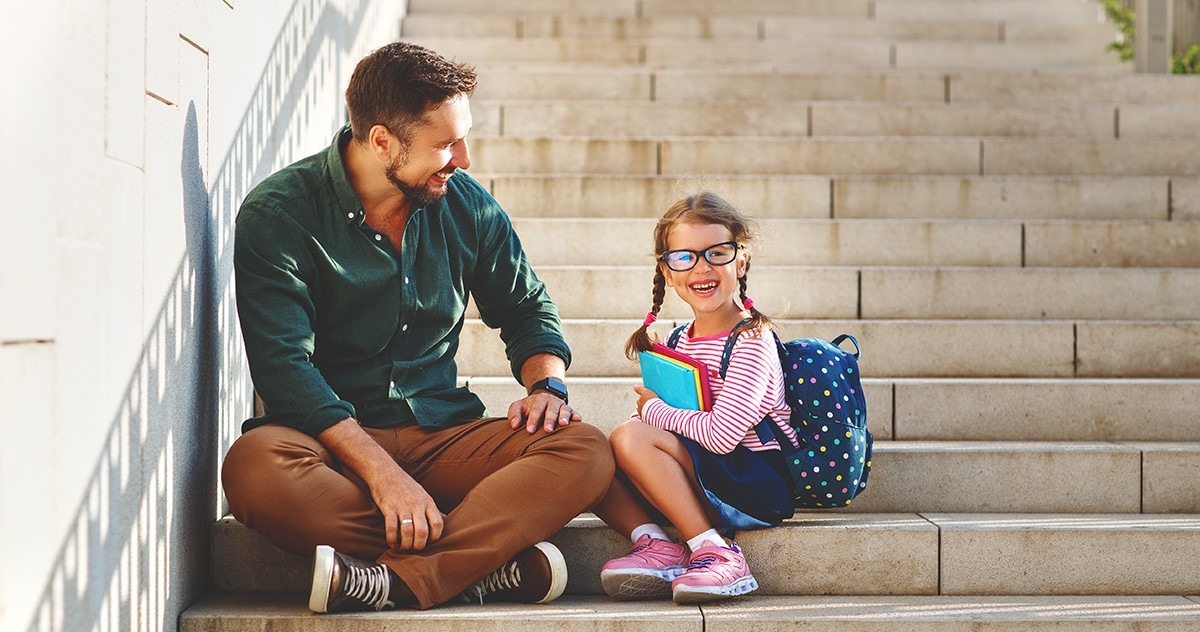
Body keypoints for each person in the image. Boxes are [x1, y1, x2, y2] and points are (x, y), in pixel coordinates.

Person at [220, 42, 614, 613]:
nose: (465, 159)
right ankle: (479, 566)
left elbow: (528, 310)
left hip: (442, 435)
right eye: (447, 144)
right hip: (330, 446)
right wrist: (382, 475)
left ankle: (401, 579)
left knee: (584, 450)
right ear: (382, 141)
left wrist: (546, 386)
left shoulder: (467, 206)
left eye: (464, 137)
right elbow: (284, 368)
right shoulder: (279, 213)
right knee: (253, 470)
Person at [590, 191, 797, 604]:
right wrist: (649, 420)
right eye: (684, 257)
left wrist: (654, 412)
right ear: (667, 271)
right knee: (589, 455)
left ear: (741, 260)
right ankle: (656, 544)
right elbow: (671, 424)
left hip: (753, 481)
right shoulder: (677, 339)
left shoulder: (752, 340)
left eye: (716, 253)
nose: (701, 267)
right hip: (704, 473)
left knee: (632, 437)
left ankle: (717, 551)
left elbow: (722, 436)